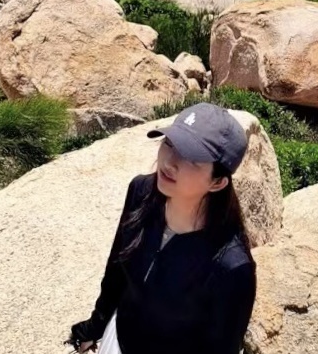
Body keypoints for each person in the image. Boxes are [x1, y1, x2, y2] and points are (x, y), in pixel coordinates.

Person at [66, 102, 256, 354]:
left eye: (192, 159)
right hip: (118, 339)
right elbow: (116, 269)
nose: (169, 162)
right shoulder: (141, 192)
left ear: (218, 182)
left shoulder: (231, 266)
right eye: (170, 143)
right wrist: (95, 325)